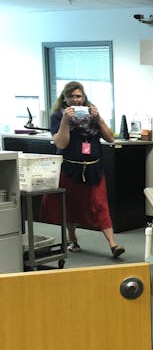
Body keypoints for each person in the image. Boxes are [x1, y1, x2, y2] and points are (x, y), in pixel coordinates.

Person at [42, 81, 125, 258]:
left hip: (93, 168)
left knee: (100, 204)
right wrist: (66, 120)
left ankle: (113, 244)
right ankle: (72, 239)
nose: (75, 100)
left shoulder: (92, 114)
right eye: (71, 96)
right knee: (71, 205)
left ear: (84, 97)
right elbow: (61, 143)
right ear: (64, 98)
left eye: (78, 96)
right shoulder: (58, 116)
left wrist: (99, 118)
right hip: (70, 168)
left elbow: (110, 139)